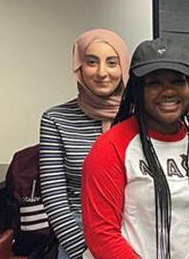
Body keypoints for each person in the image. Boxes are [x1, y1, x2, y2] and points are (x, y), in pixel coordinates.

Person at [81, 38, 189, 259]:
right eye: (154, 83)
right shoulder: (111, 146)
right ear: (137, 90)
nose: (168, 91)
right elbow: (102, 235)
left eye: (177, 81)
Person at [39, 28, 129, 259]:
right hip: (78, 232)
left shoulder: (139, 116)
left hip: (133, 231)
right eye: (91, 62)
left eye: (112, 62)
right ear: (79, 67)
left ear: (124, 67)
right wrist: (84, 252)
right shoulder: (55, 119)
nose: (102, 72)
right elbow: (54, 197)